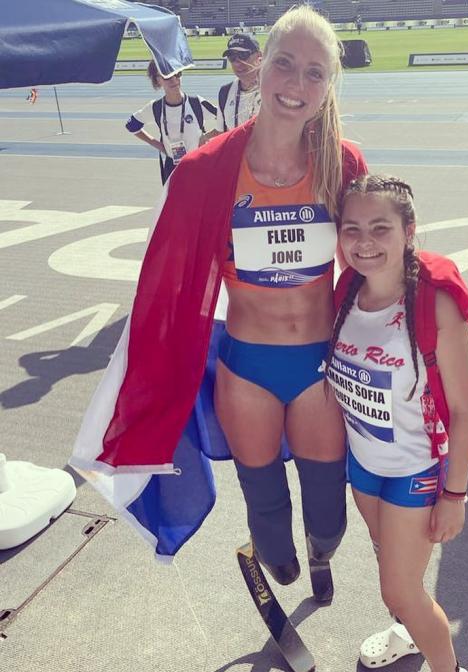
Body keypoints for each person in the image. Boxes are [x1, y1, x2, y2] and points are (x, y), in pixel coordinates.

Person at [71, 6, 367, 577]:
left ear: (329, 84)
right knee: (272, 531)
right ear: (261, 69)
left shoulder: (342, 161)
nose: (297, 84)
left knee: (328, 519)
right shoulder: (206, 171)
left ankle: (321, 552)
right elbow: (165, 284)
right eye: (285, 65)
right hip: (246, 368)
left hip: (321, 370)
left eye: (315, 72)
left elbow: (373, 261)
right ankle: (277, 556)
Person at [326, 175, 468, 672]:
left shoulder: (436, 304)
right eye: (351, 230)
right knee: (395, 571)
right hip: (364, 465)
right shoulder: (346, 291)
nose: (364, 242)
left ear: (408, 231)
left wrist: (454, 494)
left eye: (379, 228)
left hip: (415, 471)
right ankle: (409, 626)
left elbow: (463, 411)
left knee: (400, 587)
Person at [125, 60, 216, 184]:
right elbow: (131, 125)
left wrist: (207, 136)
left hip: (199, 164)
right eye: (167, 76)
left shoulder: (197, 103)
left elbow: (227, 119)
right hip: (172, 166)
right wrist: (157, 144)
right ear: (158, 80)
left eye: (177, 74)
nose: (174, 80)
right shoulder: (155, 107)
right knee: (176, 203)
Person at [200, 33, 262, 145]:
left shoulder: (274, 89)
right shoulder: (225, 92)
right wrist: (204, 137)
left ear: (259, 56)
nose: (238, 63)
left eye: (243, 55)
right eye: (232, 58)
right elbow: (222, 130)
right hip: (236, 160)